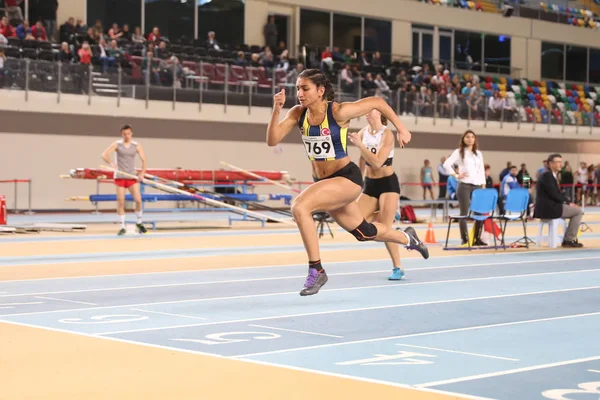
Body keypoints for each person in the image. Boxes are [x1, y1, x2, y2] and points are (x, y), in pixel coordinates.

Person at [266, 68, 428, 296]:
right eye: (297, 89)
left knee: (300, 206)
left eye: (305, 88)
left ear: (320, 91)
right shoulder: (297, 113)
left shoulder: (339, 112)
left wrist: (401, 128)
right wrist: (276, 109)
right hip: (325, 182)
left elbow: (378, 102)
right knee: (363, 231)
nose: (300, 93)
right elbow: (272, 140)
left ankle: (317, 269)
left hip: (346, 178)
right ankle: (408, 237)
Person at [349, 109, 404, 280]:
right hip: (370, 184)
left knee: (385, 230)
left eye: (371, 111)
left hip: (387, 183)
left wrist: (360, 145)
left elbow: (378, 162)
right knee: (357, 225)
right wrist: (358, 182)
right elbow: (362, 159)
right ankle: (392, 223)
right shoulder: (362, 133)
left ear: (380, 114)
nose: (366, 113)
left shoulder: (387, 135)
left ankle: (398, 267)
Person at [101, 125, 148, 236]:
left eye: (128, 134)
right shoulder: (117, 144)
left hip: (131, 177)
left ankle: (139, 222)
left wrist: (142, 173)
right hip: (120, 177)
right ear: (121, 134)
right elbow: (104, 155)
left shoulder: (136, 145)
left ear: (131, 134)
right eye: (124, 134)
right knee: (121, 202)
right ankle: (122, 226)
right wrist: (111, 163)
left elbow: (144, 159)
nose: (126, 136)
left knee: (138, 200)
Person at [443, 130, 487, 246]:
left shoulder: (478, 154)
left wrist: (483, 186)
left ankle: (476, 238)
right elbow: (446, 164)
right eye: (467, 137)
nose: (470, 139)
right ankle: (465, 239)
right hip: (464, 185)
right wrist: (456, 175)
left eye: (472, 137)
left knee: (479, 213)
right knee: (464, 213)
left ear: (475, 139)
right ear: (463, 139)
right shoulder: (459, 152)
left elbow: (481, 170)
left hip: (477, 186)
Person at [534, 153, 583, 248]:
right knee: (578, 212)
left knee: (575, 210)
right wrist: (569, 203)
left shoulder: (548, 174)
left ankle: (569, 238)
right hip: (549, 208)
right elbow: (554, 194)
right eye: (558, 162)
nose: (561, 164)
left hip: (548, 206)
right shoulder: (547, 175)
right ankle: (568, 240)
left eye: (561, 162)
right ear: (551, 164)